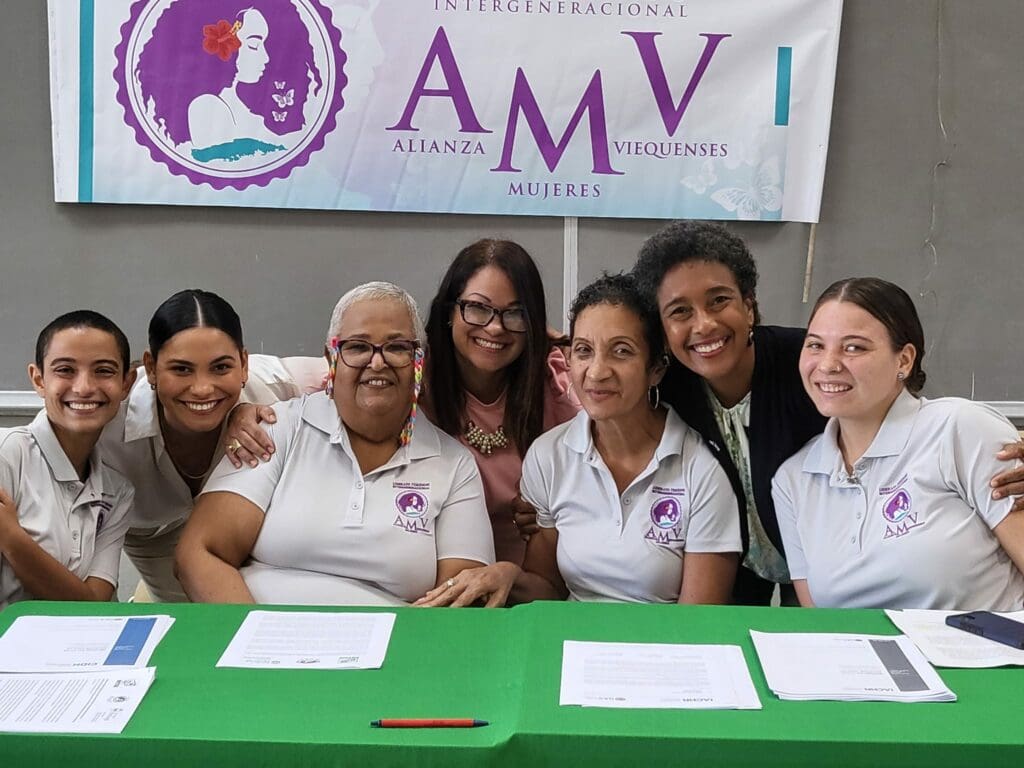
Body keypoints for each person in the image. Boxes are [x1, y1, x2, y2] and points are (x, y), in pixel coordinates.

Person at [631, 220, 1024, 605]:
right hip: (774, 568)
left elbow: (909, 418)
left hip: (871, 569)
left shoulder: (809, 370)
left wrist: (988, 448)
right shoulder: (665, 383)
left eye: (719, 300)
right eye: (680, 311)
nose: (704, 324)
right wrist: (567, 349)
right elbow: (604, 380)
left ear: (749, 306)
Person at [416, 274, 740, 607]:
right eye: (584, 351)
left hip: (661, 650)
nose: (597, 371)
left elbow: (698, 625)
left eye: (621, 351)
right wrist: (509, 575)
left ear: (656, 368)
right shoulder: (549, 455)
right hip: (571, 646)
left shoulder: (701, 468)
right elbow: (549, 589)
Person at [175, 282, 496, 606]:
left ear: (419, 362)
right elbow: (200, 554)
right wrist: (257, 640)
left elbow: (458, 600)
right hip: (261, 641)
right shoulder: (277, 428)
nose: (377, 362)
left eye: (397, 347)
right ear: (332, 358)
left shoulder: (454, 466)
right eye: (357, 347)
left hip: (389, 648)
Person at [772, 278, 1024, 610]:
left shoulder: (961, 429)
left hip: (989, 657)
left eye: (854, 347)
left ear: (904, 360)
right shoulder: (793, 480)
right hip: (867, 659)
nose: (828, 364)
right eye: (816, 345)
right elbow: (820, 621)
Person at [100, 289, 322, 602]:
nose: (203, 389)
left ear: (244, 363)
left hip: (240, 530)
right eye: (181, 369)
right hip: (149, 533)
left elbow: (363, 366)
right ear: (150, 367)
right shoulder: (109, 416)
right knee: (182, 618)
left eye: (220, 368)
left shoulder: (270, 386)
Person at [422, 239, 579, 563]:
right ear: (449, 311)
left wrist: (556, 515)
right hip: (435, 586)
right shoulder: (412, 384)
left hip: (535, 590)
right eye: (478, 308)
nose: (495, 327)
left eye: (515, 313)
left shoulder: (558, 388)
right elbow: (311, 376)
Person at [0, 311, 135, 609]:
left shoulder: (118, 491)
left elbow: (92, 608)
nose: (84, 387)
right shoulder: (7, 455)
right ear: (38, 379)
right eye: (65, 370)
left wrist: (11, 539)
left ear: (126, 383)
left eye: (104, 371)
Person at [136, 0, 323, 157]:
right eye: (254, 45)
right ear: (225, 50)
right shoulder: (206, 106)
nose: (266, 57)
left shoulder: (236, 107)